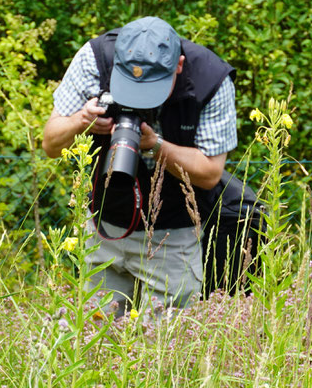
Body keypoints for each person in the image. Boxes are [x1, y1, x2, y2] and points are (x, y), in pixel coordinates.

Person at [42, 16, 237, 316]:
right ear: (118, 61)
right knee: (94, 343)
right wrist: (81, 121)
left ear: (179, 65)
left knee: (165, 351)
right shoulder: (95, 58)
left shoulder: (211, 78)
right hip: (103, 229)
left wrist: (156, 145)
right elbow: (51, 144)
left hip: (174, 236)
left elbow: (210, 174)